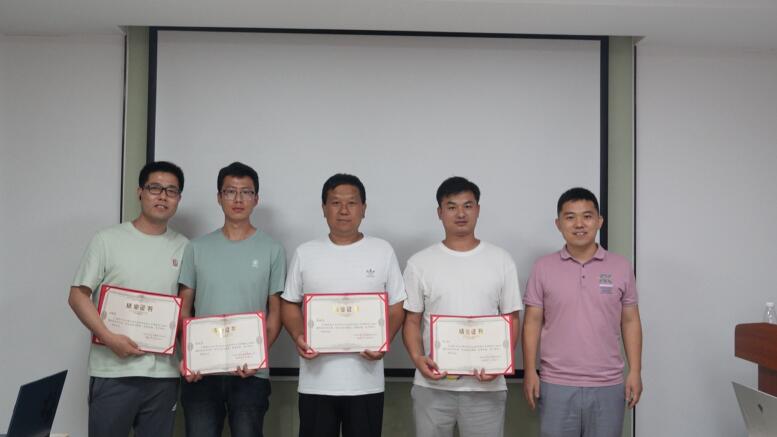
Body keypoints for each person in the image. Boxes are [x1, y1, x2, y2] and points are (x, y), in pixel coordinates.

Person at [280, 173, 406, 437]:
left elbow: (397, 306)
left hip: (366, 383)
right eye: (336, 203)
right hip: (316, 383)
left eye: (352, 203)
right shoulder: (306, 252)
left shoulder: (382, 251)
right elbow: (289, 303)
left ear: (364, 208)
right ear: (324, 208)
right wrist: (299, 335)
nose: (344, 210)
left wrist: (383, 340)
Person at [68, 161, 188, 437]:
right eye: (155, 188)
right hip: (112, 371)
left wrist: (191, 357)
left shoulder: (186, 247)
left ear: (179, 198)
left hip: (163, 375)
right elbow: (77, 296)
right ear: (140, 192)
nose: (162, 196)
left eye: (171, 191)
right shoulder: (107, 240)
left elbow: (185, 310)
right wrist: (109, 338)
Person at [402, 176, 523, 437]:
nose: (460, 214)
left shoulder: (501, 260)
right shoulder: (419, 263)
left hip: (486, 387)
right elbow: (411, 321)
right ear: (440, 212)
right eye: (451, 206)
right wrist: (417, 359)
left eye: (468, 206)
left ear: (478, 210)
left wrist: (501, 363)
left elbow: (512, 318)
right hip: (433, 386)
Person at [522, 187, 643, 437]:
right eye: (570, 217)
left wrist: (635, 371)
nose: (579, 224)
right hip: (555, 383)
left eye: (587, 216)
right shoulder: (543, 267)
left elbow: (630, 321)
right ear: (558, 224)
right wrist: (530, 371)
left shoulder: (621, 267)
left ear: (599, 221)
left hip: (608, 383)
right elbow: (532, 322)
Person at [177, 162, 286, 437]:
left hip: (250, 373)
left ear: (256, 199)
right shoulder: (196, 248)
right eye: (230, 192)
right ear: (219, 197)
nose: (238, 199)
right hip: (202, 372)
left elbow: (276, 312)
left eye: (246, 192)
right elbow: (184, 308)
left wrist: (258, 356)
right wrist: (189, 357)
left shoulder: (273, 249)